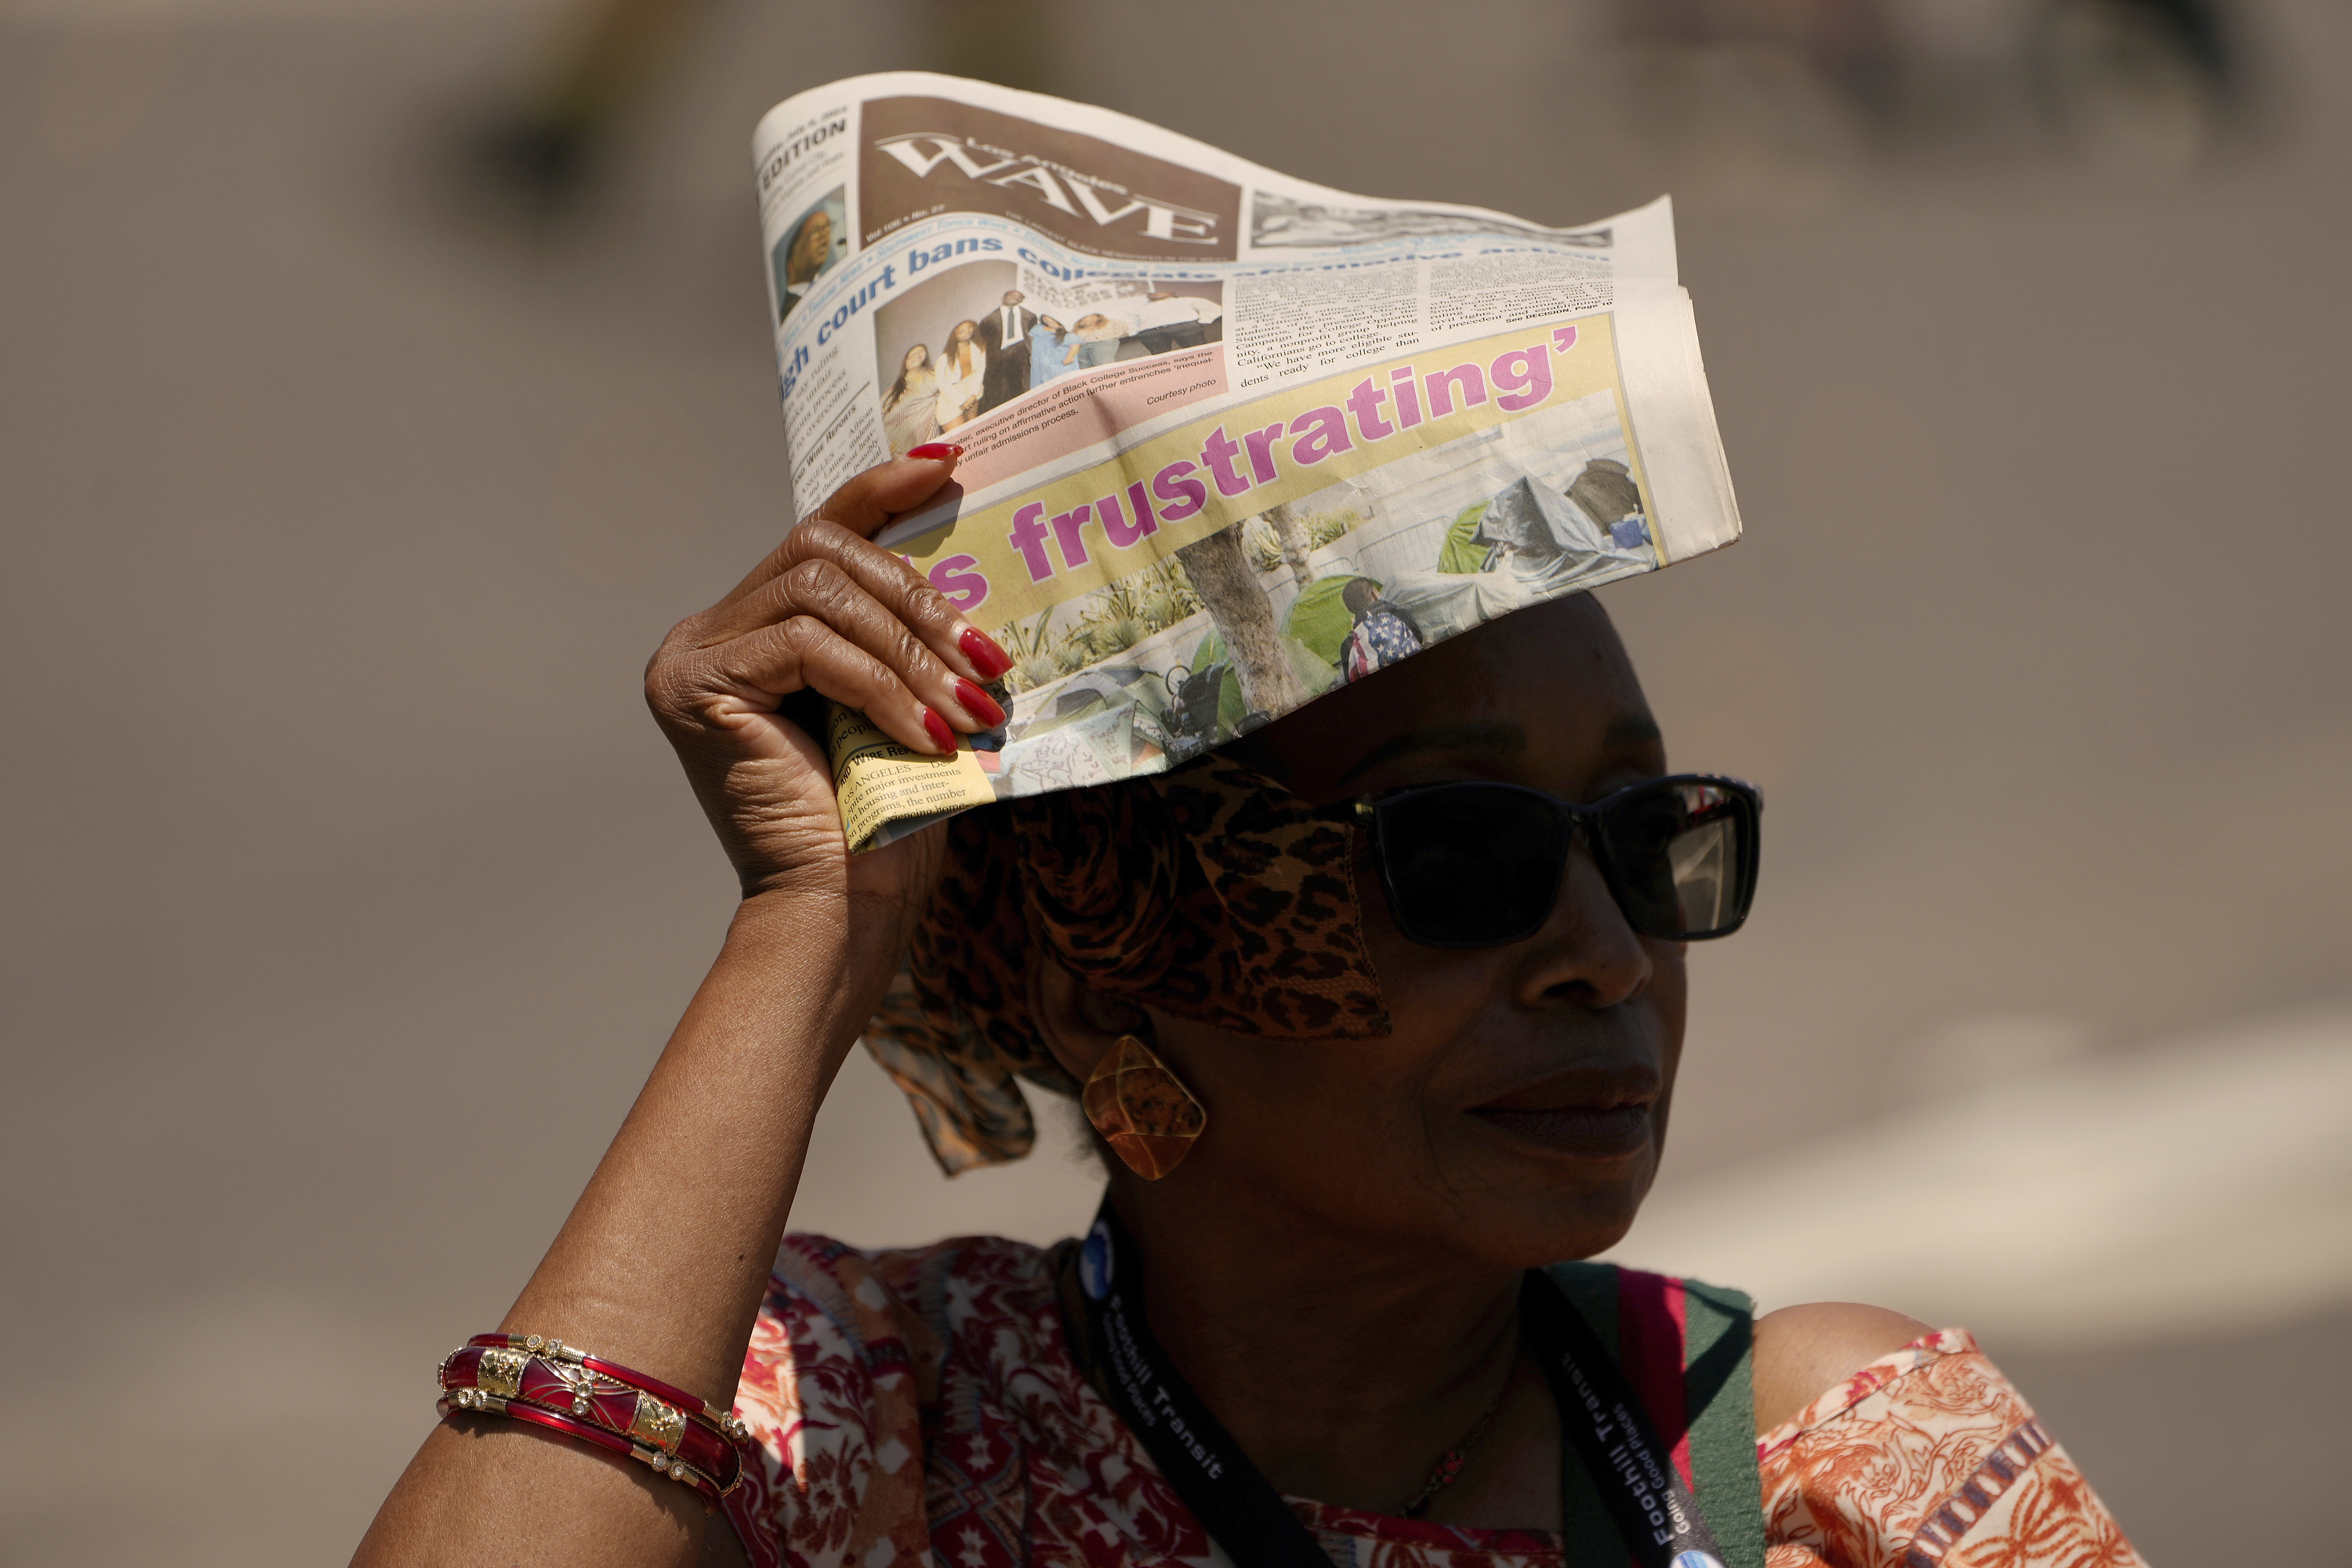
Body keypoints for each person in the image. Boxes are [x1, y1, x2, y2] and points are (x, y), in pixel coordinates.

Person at [355, 451, 2144, 1568]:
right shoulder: (870, 1429)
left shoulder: (1807, 1456)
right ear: (1103, 954)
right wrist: (812, 917)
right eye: (1459, 853)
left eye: (1642, 837)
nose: (1603, 946)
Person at [1338, 575, 1425, 682]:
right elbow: (1419, 638)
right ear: (1374, 594)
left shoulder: (1348, 645)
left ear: (1350, 609)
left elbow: (1350, 678)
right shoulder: (1399, 614)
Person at [975, 289, 1039, 413]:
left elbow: (1032, 332)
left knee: (1018, 386)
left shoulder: (1030, 316)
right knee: (995, 388)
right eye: (1012, 295)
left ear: (1022, 300)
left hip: (1020, 352)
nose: (1015, 297)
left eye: (1019, 296)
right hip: (997, 355)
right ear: (1003, 297)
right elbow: (983, 336)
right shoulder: (989, 319)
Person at [775, 204, 837, 324]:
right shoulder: (787, 316)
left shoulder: (833, 281)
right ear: (792, 265)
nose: (824, 235)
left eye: (827, 227)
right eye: (815, 232)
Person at [880, 343, 940, 458]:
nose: (916, 356)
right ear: (906, 362)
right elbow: (881, 413)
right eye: (911, 355)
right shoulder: (893, 391)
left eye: (920, 353)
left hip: (923, 441)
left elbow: (939, 383)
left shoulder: (931, 376)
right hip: (895, 445)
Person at [934, 320, 985, 432]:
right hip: (951, 400)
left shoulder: (980, 349)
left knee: (974, 433)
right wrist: (962, 401)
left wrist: (972, 395)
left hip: (973, 393)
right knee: (961, 439)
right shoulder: (944, 359)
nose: (967, 332)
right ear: (954, 333)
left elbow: (979, 374)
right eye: (961, 330)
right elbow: (942, 385)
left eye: (969, 327)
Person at [1128, 288, 1214, 354]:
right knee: (1160, 357)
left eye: (1158, 291)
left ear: (1171, 293)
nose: (1155, 293)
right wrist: (1134, 332)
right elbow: (1131, 321)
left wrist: (1205, 320)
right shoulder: (1140, 307)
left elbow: (1211, 307)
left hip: (1185, 326)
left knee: (1198, 352)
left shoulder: (1183, 300)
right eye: (1151, 293)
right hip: (1152, 331)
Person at [1065, 310, 1129, 371]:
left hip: (1102, 341)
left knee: (1103, 368)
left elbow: (1126, 327)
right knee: (1084, 370)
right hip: (1081, 345)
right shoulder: (1075, 330)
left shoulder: (1108, 325)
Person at [1028, 313, 1075, 390]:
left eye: (1052, 323)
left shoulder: (1068, 338)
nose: (1049, 324)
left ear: (1061, 325)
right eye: (1046, 321)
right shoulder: (1038, 331)